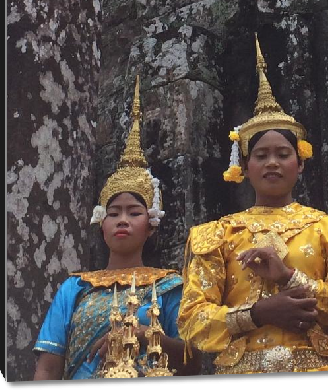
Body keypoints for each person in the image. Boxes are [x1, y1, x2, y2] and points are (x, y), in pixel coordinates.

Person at [178, 37, 328, 373]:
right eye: (261, 156)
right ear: (245, 167)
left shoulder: (327, 228)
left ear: (300, 162)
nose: (272, 164)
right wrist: (257, 315)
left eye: (283, 154)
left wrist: (291, 278)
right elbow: (192, 322)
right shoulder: (217, 234)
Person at [33, 77, 202, 379]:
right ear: (102, 224)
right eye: (114, 213)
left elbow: (193, 363)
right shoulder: (76, 289)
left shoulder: (170, 288)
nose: (122, 219)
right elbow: (48, 366)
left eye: (134, 212)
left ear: (150, 226)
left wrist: (145, 335)